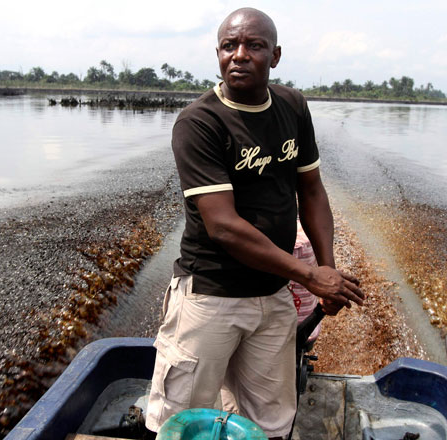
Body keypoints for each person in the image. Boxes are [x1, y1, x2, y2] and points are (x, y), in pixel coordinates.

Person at [145, 7, 365, 438]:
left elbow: (313, 191)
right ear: (218, 54)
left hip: (272, 296)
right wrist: (311, 276)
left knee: (272, 420)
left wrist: (329, 269)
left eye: (254, 46)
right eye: (230, 46)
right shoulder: (200, 123)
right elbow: (223, 226)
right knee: (177, 421)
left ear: (275, 56)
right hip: (211, 296)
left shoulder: (292, 106)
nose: (240, 55)